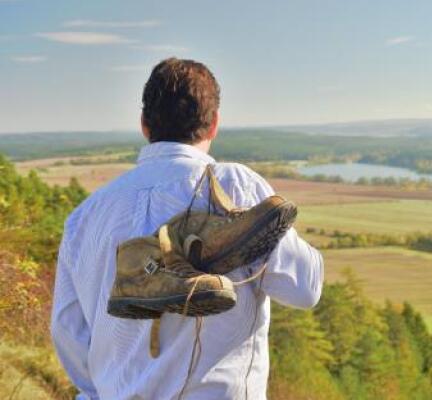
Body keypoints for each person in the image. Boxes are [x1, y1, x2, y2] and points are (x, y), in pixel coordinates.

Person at [51, 57, 324, 400]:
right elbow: (305, 288)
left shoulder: (84, 218)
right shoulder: (235, 186)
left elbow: (68, 331)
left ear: (144, 125)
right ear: (214, 126)